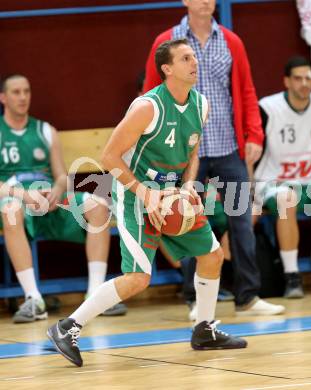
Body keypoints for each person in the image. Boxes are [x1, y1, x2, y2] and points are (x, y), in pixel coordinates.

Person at [47, 39, 247, 368]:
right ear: (167, 69)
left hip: (172, 196)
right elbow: (108, 157)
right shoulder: (147, 107)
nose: (193, 62)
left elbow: (193, 152)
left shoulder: (202, 105)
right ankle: (67, 327)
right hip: (134, 195)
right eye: (185, 58)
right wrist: (144, 193)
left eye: (194, 57)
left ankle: (205, 330)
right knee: (139, 278)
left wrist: (188, 186)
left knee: (211, 257)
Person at [143, 0, 285, 316]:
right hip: (185, 152)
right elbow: (150, 93)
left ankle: (248, 296)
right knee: (187, 219)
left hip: (227, 147)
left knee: (242, 223)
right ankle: (195, 297)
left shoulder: (231, 41)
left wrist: (254, 135)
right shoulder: (167, 42)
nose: (207, 1)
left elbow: (246, 91)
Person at [0, 74, 124, 323]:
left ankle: (95, 296)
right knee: (11, 210)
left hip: (49, 199)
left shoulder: (45, 130)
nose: (23, 97)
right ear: (3, 97)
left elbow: (61, 176)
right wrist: (24, 194)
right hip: (15, 197)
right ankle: (33, 299)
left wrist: (57, 190)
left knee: (98, 205)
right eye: (16, 92)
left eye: (26, 91)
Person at [254, 56, 311, 298]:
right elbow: (250, 152)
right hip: (274, 183)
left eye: (308, 78)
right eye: (298, 78)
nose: (304, 83)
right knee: (287, 199)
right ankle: (292, 277)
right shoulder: (268, 108)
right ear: (286, 81)